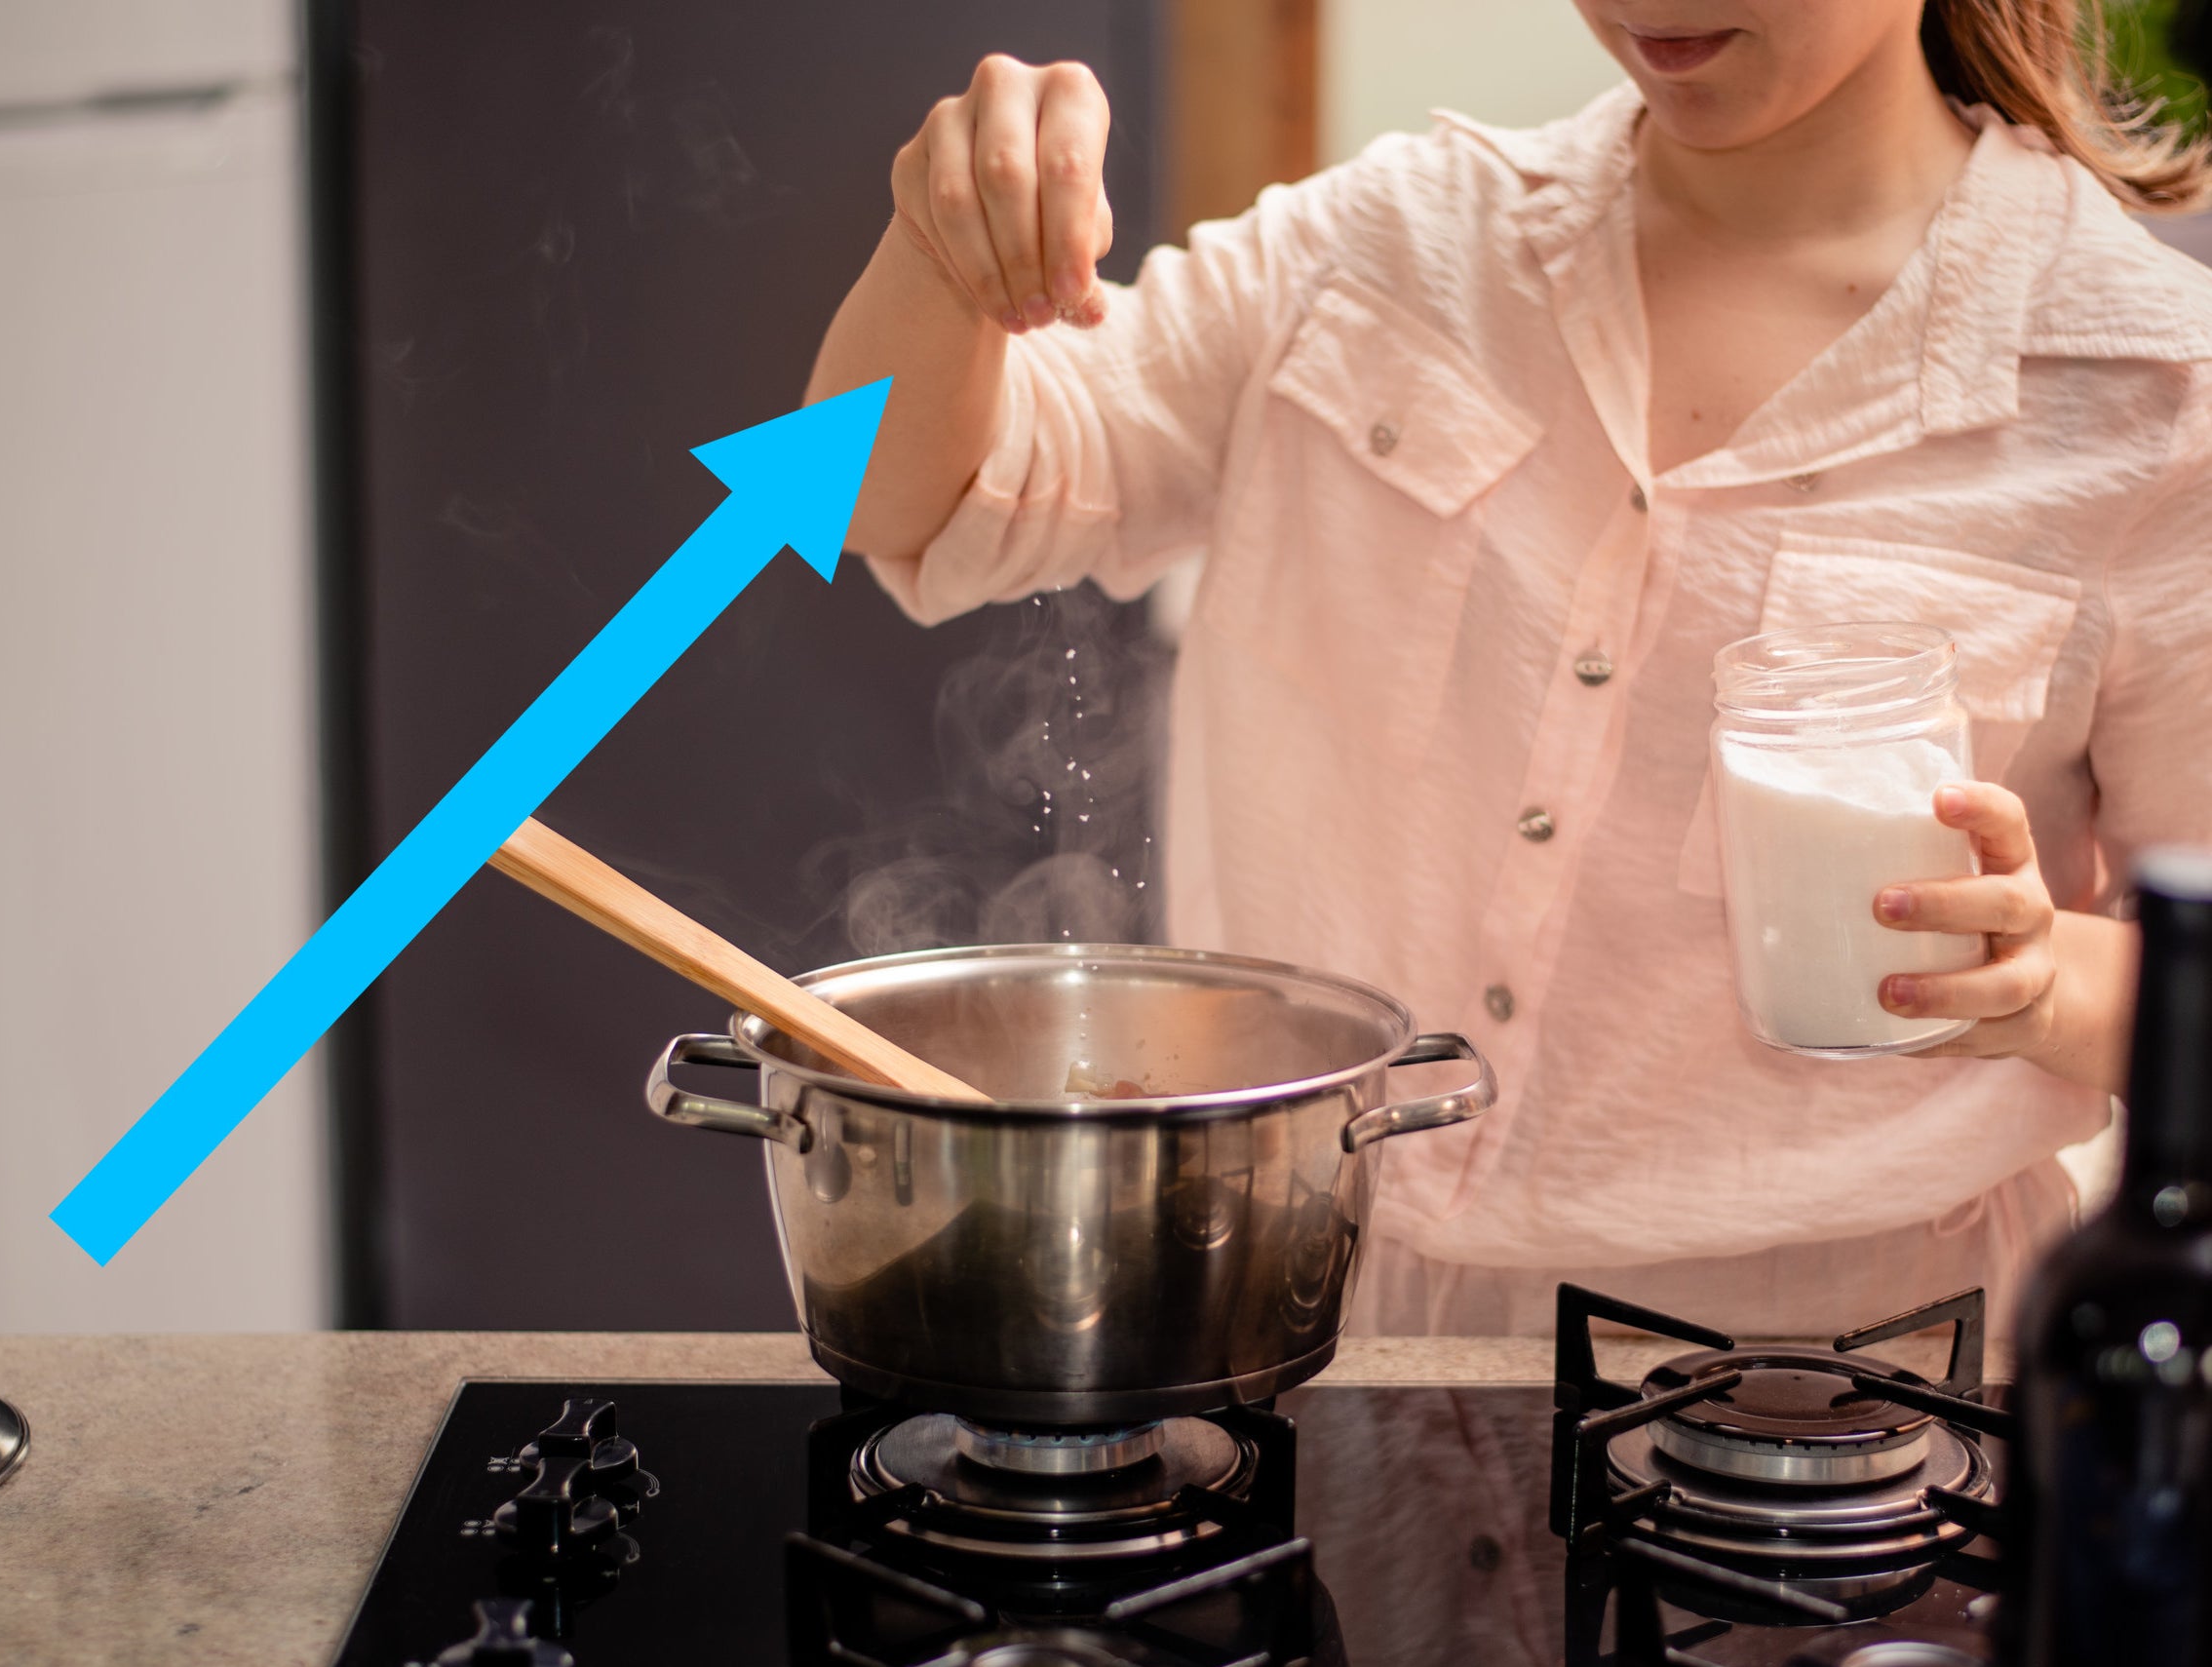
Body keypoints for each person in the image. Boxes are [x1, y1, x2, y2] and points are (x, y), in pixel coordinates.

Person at [805, 2, 2212, 1337]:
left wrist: (2042, 979)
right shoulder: (1377, 247)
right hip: (1310, 1319)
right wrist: (944, 255)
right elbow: (898, 503)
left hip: (1845, 1407)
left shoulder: (2151, 392)